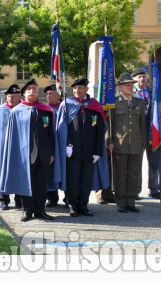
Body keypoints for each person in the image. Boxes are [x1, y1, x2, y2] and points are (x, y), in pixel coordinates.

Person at [0, 79, 55, 221]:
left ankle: (40, 210)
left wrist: (51, 153)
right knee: (26, 183)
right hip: (25, 155)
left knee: (41, 185)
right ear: (24, 93)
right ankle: (26, 210)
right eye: (29, 88)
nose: (32, 90)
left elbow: (50, 133)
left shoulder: (45, 110)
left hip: (43, 154)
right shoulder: (17, 111)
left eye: (35, 88)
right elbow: (12, 136)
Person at [56, 78, 107, 217]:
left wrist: (98, 151)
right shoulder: (67, 104)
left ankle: (83, 206)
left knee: (86, 180)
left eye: (80, 88)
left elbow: (100, 130)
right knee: (73, 180)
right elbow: (62, 128)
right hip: (73, 150)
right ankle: (72, 205)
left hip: (90, 151)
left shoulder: (95, 106)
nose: (77, 91)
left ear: (86, 89)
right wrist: (67, 144)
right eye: (75, 88)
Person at [106, 72, 148, 213]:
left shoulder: (139, 102)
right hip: (120, 143)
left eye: (131, 85)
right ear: (121, 87)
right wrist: (109, 140)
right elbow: (109, 125)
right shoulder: (114, 103)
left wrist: (144, 143)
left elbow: (143, 124)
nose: (130, 87)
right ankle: (120, 201)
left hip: (136, 143)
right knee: (120, 174)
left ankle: (131, 201)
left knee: (134, 173)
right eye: (127, 85)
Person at [0, 83, 23, 210]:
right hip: (2, 149)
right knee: (2, 173)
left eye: (14, 96)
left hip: (19, 149)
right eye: (9, 96)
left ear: (19, 97)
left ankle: (19, 200)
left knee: (19, 173)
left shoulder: (24, 109)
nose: (11, 99)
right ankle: (4, 200)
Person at [133, 67, 158, 199]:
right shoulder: (131, 94)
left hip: (153, 132)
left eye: (144, 76)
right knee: (137, 163)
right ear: (134, 79)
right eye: (139, 77)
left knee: (154, 162)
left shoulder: (153, 93)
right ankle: (136, 190)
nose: (142, 79)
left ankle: (154, 188)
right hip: (137, 133)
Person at [44, 85, 63, 208]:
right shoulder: (45, 110)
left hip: (64, 145)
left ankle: (69, 198)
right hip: (51, 144)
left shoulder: (65, 108)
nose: (48, 96)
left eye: (51, 94)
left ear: (58, 95)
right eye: (47, 94)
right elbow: (45, 127)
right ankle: (52, 198)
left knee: (66, 172)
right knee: (50, 173)